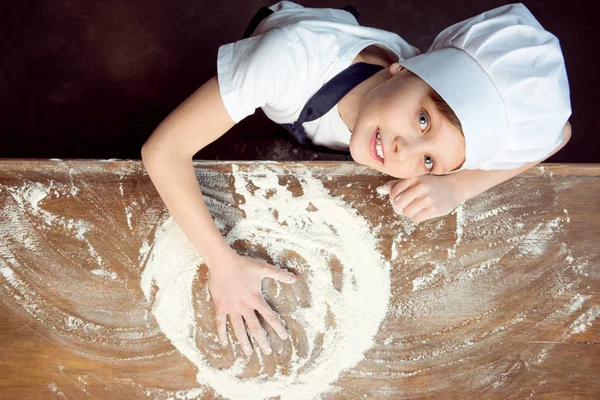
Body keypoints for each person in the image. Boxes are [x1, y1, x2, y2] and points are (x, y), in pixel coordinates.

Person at [141, 1, 572, 357]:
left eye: (429, 162)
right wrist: (223, 265)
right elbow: (163, 151)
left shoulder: (398, 119)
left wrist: (458, 186)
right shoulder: (285, 62)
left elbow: (557, 134)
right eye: (422, 120)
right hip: (289, 44)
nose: (403, 153)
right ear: (404, 67)